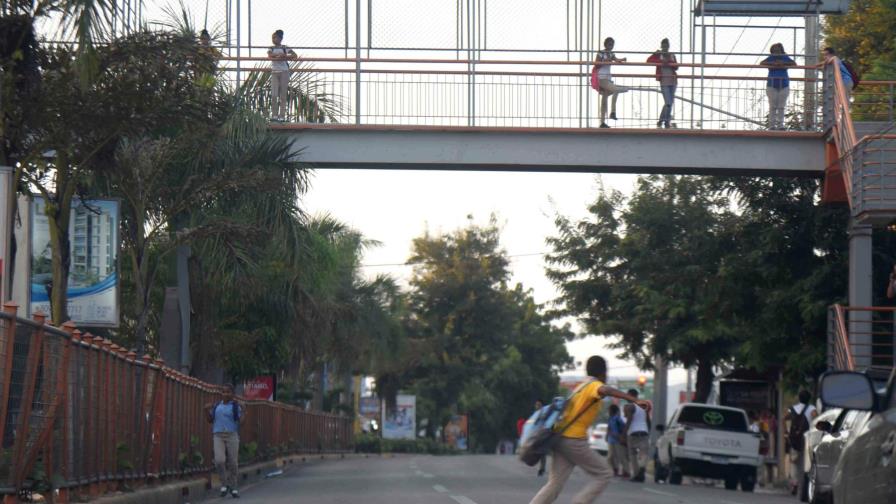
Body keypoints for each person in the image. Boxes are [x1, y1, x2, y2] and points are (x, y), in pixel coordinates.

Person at [529, 356, 651, 504]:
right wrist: (635, 400)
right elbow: (605, 389)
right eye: (606, 372)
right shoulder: (594, 385)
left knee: (555, 483)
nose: (607, 376)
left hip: (560, 438)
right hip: (573, 440)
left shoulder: (581, 386)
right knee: (604, 473)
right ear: (602, 372)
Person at [206, 384, 244, 498]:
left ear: (232, 394)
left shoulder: (236, 406)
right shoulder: (217, 406)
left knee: (233, 462)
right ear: (221, 394)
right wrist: (206, 410)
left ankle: (234, 486)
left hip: (231, 435)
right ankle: (224, 483)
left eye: (228, 392)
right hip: (218, 435)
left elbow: (241, 423)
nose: (226, 394)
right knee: (219, 460)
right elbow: (210, 420)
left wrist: (245, 412)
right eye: (224, 392)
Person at [785, 390, 818, 495]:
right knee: (806, 463)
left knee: (794, 462)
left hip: (795, 439)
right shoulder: (812, 409)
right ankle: (805, 485)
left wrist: (786, 432)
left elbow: (783, 418)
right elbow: (817, 421)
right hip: (808, 439)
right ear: (809, 398)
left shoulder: (792, 409)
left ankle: (794, 483)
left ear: (799, 398)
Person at [760, 43, 796, 130]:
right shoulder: (771, 58)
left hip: (784, 84)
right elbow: (762, 63)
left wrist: (782, 63)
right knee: (772, 106)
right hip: (772, 84)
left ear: (781, 50)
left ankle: (780, 125)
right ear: (772, 51)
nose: (777, 52)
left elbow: (794, 64)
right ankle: (771, 125)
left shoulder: (785, 57)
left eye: (778, 50)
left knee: (781, 106)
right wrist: (773, 63)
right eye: (775, 50)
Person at [594, 37, 627, 129]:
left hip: (608, 78)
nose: (611, 46)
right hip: (601, 77)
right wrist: (605, 61)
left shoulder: (611, 53)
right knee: (615, 89)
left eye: (612, 44)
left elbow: (616, 59)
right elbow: (596, 63)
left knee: (604, 101)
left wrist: (621, 60)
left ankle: (602, 122)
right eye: (609, 44)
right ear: (605, 45)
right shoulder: (601, 53)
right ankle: (613, 112)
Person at [647, 38, 679, 129]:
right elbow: (649, 61)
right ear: (661, 46)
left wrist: (669, 62)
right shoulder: (658, 55)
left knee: (669, 102)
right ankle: (666, 121)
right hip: (664, 81)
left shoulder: (672, 55)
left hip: (673, 81)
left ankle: (662, 120)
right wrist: (659, 59)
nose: (665, 47)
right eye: (663, 45)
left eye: (666, 45)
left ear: (668, 46)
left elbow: (676, 67)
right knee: (668, 102)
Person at [268, 29, 297, 122]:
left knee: (283, 95)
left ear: (280, 39)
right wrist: (278, 57)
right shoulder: (271, 48)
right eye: (272, 38)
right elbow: (270, 56)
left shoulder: (285, 47)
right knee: (274, 94)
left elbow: (294, 55)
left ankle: (282, 116)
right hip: (274, 72)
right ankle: (275, 115)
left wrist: (284, 56)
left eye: (275, 37)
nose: (273, 39)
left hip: (284, 72)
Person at [623, 389, 651, 482]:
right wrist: (648, 431)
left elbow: (629, 420)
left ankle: (636, 475)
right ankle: (642, 468)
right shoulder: (644, 406)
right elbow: (648, 420)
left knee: (633, 455)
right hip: (644, 432)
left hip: (633, 433)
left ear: (631, 395)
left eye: (627, 395)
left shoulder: (630, 406)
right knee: (644, 453)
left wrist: (623, 434)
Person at [605, 404, 629, 478]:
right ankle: (614, 469)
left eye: (609, 410)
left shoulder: (617, 419)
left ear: (613, 411)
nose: (608, 411)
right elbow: (609, 427)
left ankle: (626, 471)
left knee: (621, 456)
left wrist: (621, 436)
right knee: (610, 456)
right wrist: (607, 435)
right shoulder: (610, 418)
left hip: (618, 440)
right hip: (611, 440)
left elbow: (624, 427)